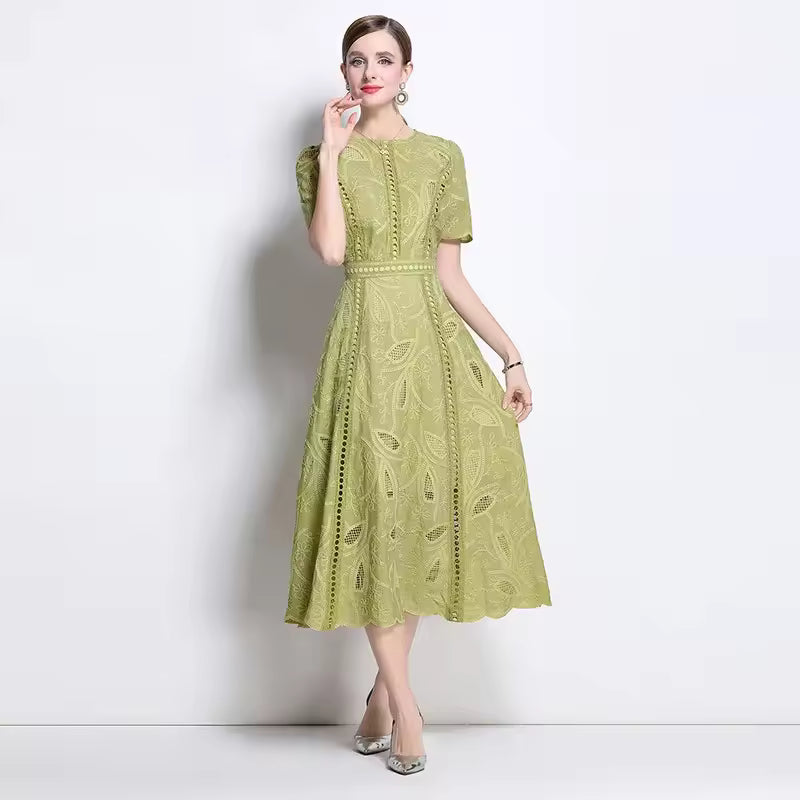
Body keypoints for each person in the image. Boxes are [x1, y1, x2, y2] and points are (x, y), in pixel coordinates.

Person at [284, 15, 552, 776]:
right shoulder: (320, 158)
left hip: (434, 351)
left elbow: (450, 276)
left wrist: (510, 355)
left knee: (416, 520)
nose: (368, 71)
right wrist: (332, 153)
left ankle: (381, 693)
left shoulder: (442, 156)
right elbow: (331, 250)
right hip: (364, 350)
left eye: (384, 59)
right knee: (376, 517)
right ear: (343, 73)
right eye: (355, 59)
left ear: (407, 72)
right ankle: (407, 708)